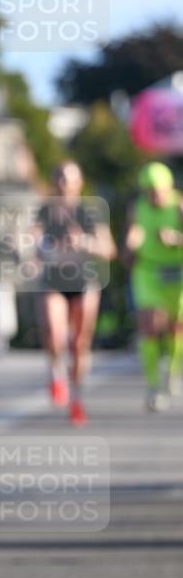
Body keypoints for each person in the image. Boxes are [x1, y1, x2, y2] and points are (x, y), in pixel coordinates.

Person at [34, 161, 116, 426]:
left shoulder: (89, 212)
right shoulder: (46, 211)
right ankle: (58, 373)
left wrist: (84, 242)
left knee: (80, 343)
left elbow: (109, 250)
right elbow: (33, 242)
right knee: (54, 334)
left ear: (79, 183)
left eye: (68, 180)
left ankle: (77, 398)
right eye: (59, 179)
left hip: (84, 281)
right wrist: (43, 247)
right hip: (54, 279)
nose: (63, 185)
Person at [125, 162, 183, 412]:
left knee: (176, 330)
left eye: (158, 189)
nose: (154, 195)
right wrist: (130, 244)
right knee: (149, 325)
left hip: (178, 273)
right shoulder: (137, 209)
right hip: (148, 272)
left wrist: (176, 239)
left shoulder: (179, 206)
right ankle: (152, 385)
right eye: (149, 190)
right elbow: (129, 243)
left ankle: (171, 371)